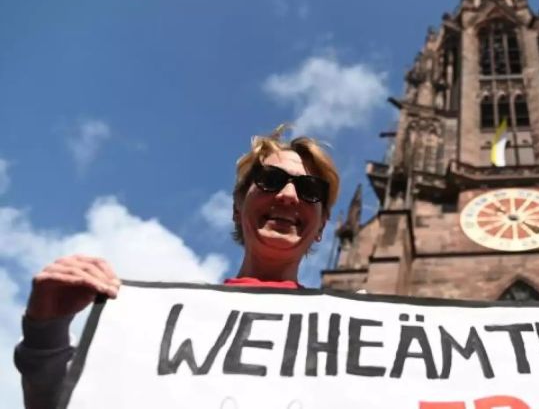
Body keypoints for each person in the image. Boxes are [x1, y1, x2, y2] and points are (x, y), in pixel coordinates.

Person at [14, 125, 340, 408]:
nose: (288, 195)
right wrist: (46, 331)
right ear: (237, 204)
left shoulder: (344, 339)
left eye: (310, 190)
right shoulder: (159, 320)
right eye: (270, 180)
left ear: (323, 224)